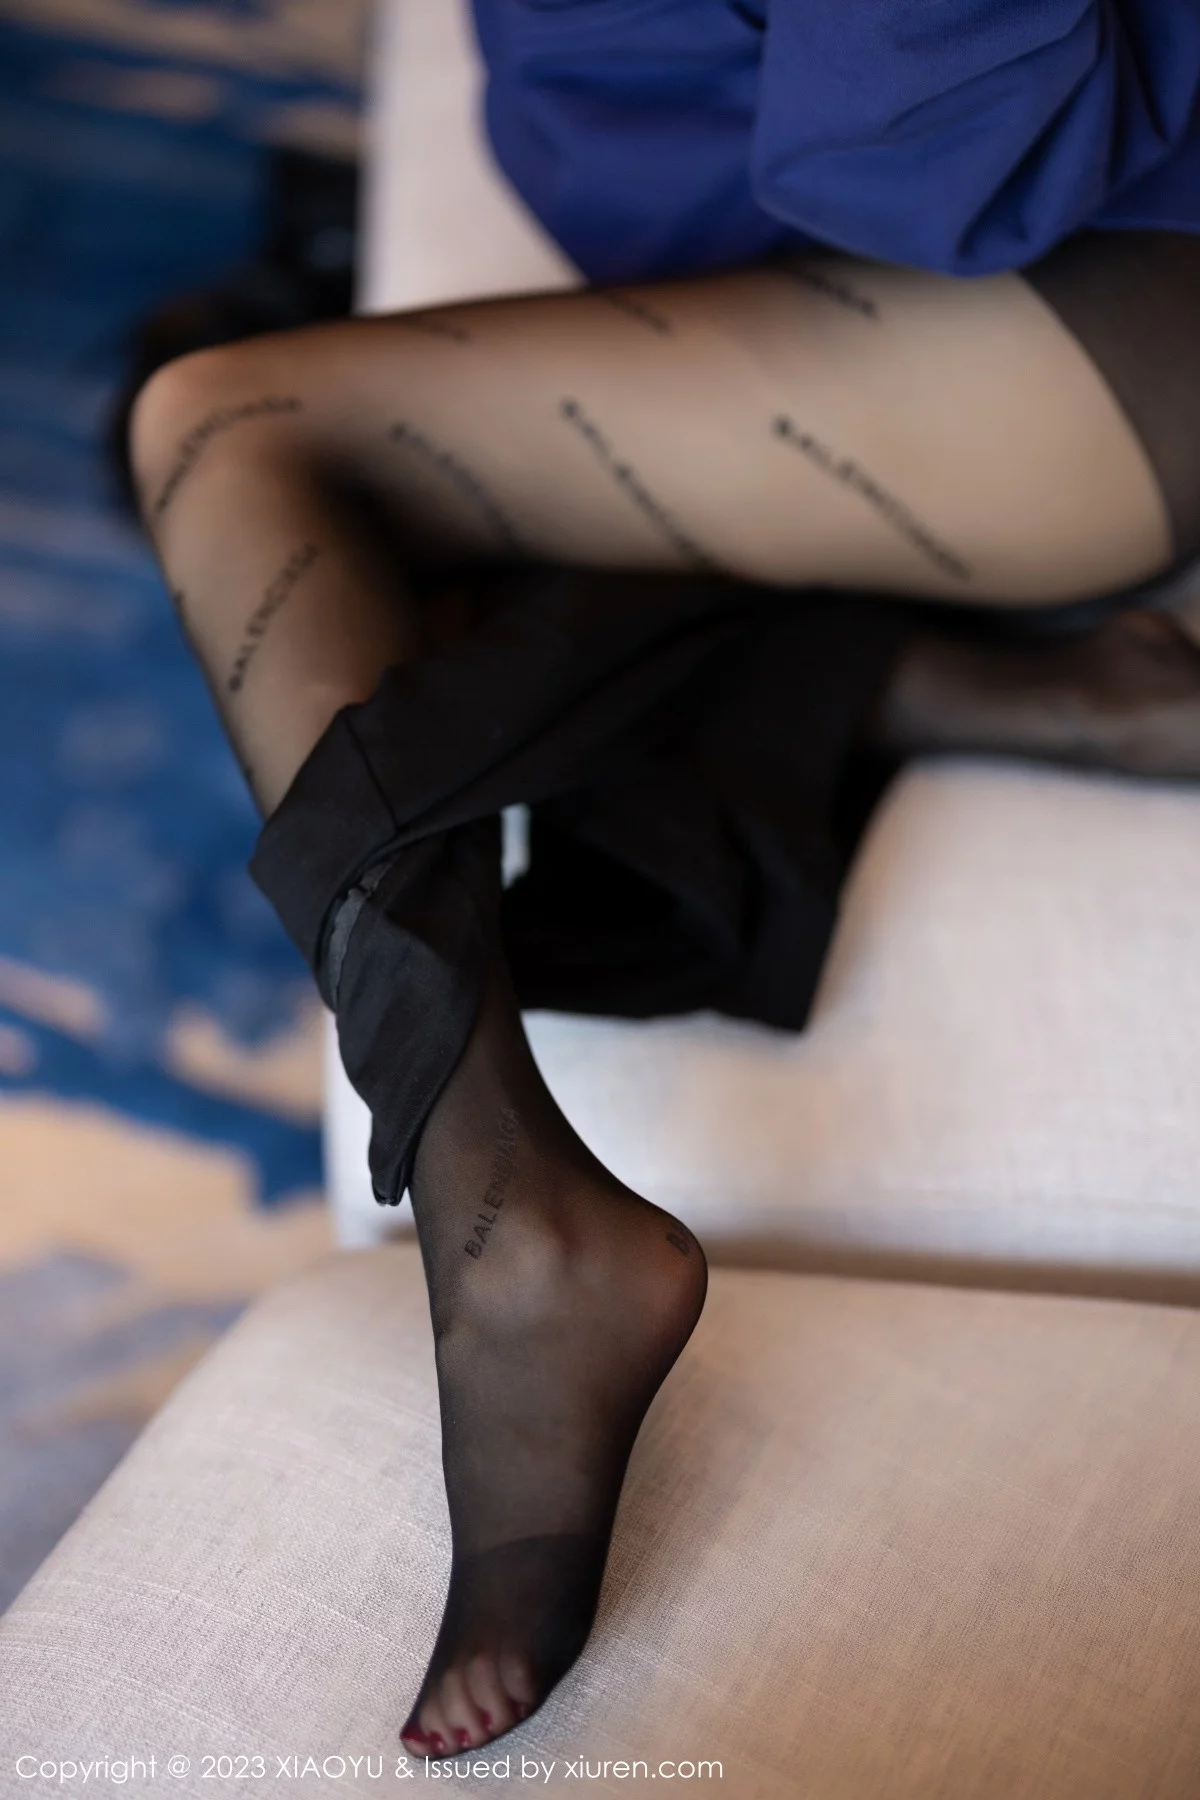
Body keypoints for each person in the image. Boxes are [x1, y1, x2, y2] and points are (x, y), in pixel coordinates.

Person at [128, 0, 1200, 1760]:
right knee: (343, 580)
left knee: (230, 435)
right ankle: (983, 686)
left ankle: (510, 1235)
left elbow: (929, 171)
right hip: (852, 253)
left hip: (1120, 300)